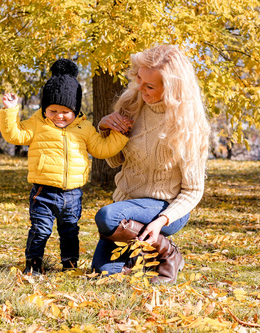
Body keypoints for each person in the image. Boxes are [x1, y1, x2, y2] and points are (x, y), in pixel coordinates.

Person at [0, 58, 131, 276]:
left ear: (75, 110)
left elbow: (102, 149)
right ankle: (33, 264)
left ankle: (70, 265)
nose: (59, 116)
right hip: (44, 191)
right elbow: (14, 135)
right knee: (40, 230)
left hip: (73, 193)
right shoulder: (37, 124)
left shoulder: (85, 127)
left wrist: (121, 135)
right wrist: (10, 111)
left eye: (65, 111)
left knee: (70, 231)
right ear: (45, 108)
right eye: (53, 111)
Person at [91, 45, 210, 283]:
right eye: (139, 79)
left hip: (166, 208)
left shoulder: (190, 126)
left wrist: (160, 222)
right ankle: (139, 258)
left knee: (106, 218)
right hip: (126, 206)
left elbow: (193, 191)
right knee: (101, 273)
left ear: (172, 89)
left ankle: (167, 251)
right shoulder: (131, 103)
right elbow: (116, 160)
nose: (140, 88)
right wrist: (105, 128)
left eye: (150, 86)